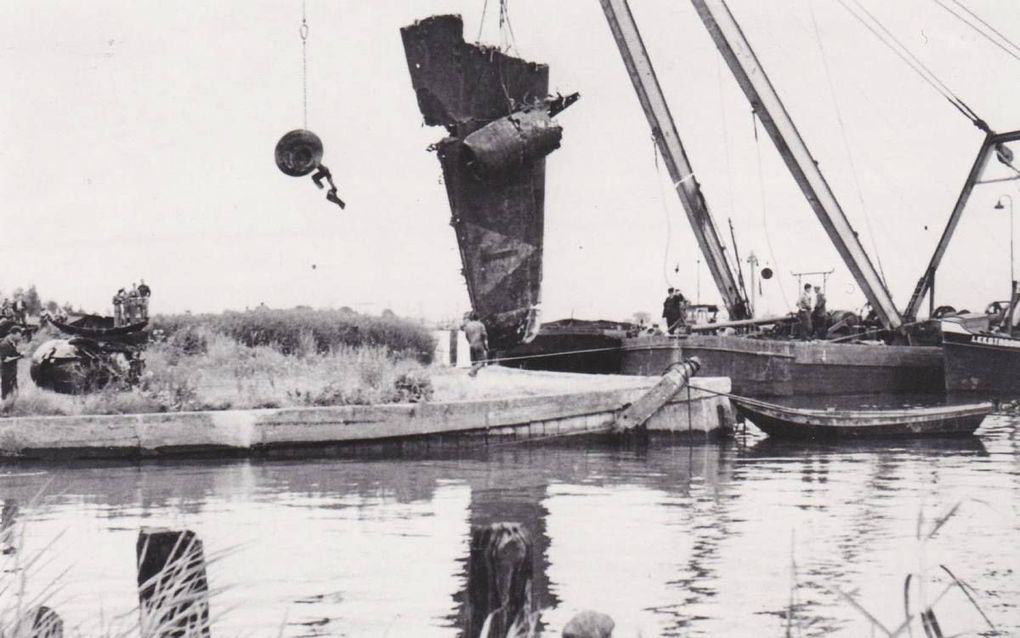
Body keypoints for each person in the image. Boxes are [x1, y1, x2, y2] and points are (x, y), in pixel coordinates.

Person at [462, 313, 489, 378]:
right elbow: (484, 336)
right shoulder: (481, 325)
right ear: (478, 318)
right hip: (479, 345)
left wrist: (470, 342)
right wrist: (486, 346)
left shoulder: (468, 326)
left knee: (474, 363)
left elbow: (466, 336)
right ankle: (472, 371)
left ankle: (474, 380)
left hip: (471, 345)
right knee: (482, 362)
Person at [0, 326, 24, 400]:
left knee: (14, 391)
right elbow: (5, 359)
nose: (21, 337)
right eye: (20, 335)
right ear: (15, 334)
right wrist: (19, 357)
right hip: (7, 372)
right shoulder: (5, 344)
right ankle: (4, 408)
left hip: (12, 372)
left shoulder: (12, 342)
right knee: (6, 392)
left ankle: (11, 405)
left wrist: (18, 354)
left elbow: (12, 354)